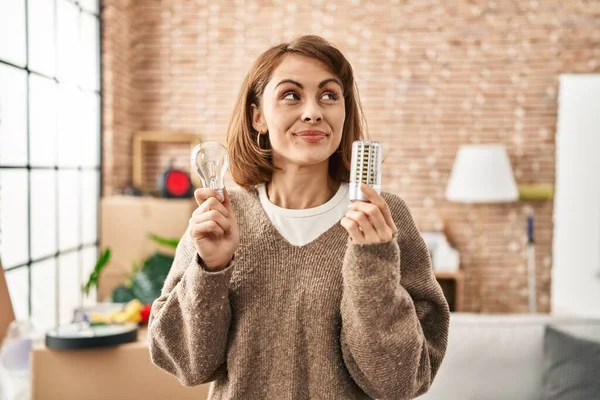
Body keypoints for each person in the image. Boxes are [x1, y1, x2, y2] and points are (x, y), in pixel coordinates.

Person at [148, 35, 450, 400]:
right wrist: (211, 269)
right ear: (258, 116)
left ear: (344, 112)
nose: (313, 111)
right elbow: (185, 363)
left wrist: (373, 263)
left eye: (329, 95)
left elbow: (399, 382)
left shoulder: (385, 218)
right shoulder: (224, 216)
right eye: (291, 95)